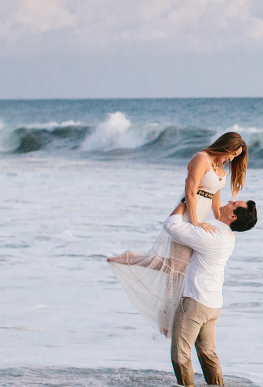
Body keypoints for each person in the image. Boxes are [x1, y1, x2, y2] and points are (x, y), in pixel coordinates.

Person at [107, 132, 249, 337]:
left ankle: (167, 319)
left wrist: (221, 226)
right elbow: (190, 192)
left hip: (201, 217)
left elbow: (216, 198)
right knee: (177, 267)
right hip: (189, 213)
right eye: (232, 154)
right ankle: (131, 261)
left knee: (183, 268)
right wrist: (195, 222)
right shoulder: (201, 159)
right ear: (225, 146)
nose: (232, 159)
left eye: (235, 157)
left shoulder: (220, 167)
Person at [162, 198, 257, 387]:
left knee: (180, 355)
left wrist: (185, 201)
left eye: (233, 203)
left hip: (196, 303)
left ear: (232, 216)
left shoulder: (211, 236)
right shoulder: (228, 236)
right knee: (208, 355)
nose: (229, 201)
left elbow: (170, 225)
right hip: (213, 305)